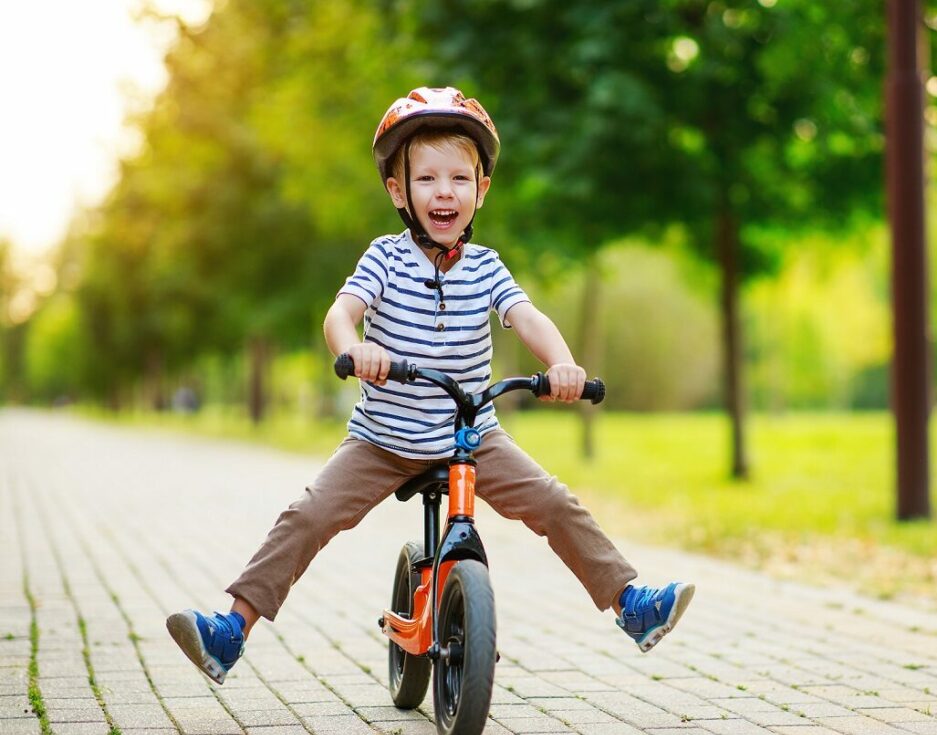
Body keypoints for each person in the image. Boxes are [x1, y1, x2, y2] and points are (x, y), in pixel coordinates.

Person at [166, 87, 695, 685]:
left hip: (472, 436)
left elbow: (528, 319)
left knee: (554, 502)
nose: (445, 192)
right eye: (427, 179)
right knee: (308, 515)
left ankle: (630, 605)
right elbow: (339, 315)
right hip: (383, 438)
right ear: (400, 191)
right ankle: (230, 630)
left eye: (459, 179)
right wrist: (354, 349)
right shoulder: (384, 259)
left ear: (481, 190)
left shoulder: (488, 267)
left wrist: (564, 364)